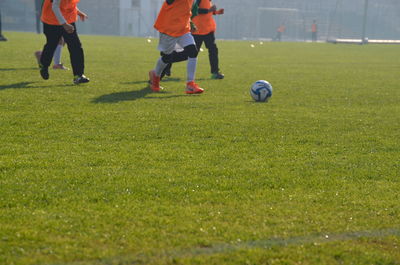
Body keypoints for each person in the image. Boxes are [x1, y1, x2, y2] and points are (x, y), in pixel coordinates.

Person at [149, 0, 204, 94]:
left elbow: (188, 11)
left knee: (193, 52)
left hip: (183, 29)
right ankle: (155, 75)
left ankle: (190, 84)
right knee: (167, 57)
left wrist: (190, 23)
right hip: (169, 29)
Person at [39, 0, 89, 84]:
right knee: (52, 44)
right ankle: (43, 65)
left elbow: (68, 3)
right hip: (51, 19)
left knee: (75, 46)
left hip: (68, 19)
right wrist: (64, 24)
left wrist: (78, 12)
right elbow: (55, 6)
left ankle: (78, 76)